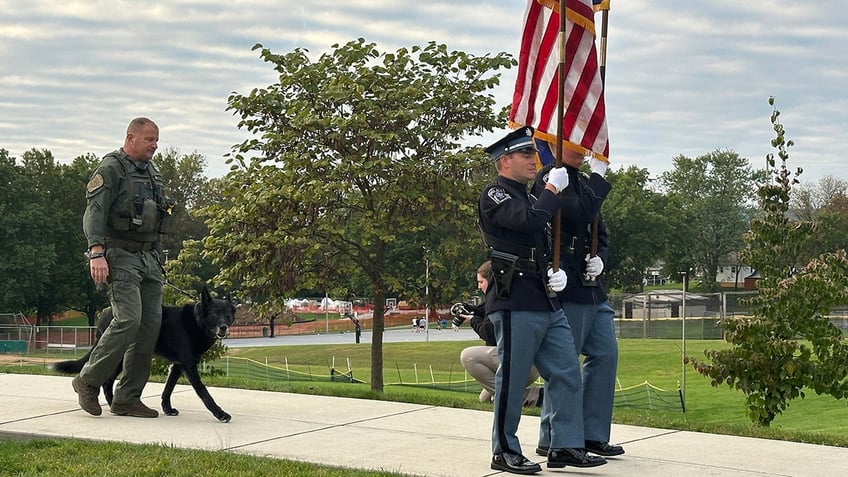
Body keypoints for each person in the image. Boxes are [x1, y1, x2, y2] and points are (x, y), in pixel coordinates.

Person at [477, 126, 605, 474]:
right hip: (515, 298)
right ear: (505, 161)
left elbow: (544, 235)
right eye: (526, 155)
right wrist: (552, 189)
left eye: (534, 154)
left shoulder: (531, 196)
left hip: (545, 296)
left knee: (565, 371)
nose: (534, 160)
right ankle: (504, 449)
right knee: (513, 379)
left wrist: (555, 268)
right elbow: (528, 222)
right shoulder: (496, 195)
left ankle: (564, 445)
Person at [73, 117, 173, 418]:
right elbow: (94, 214)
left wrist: (157, 253)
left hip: (148, 258)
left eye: (156, 140)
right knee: (128, 319)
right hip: (119, 254)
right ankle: (88, 381)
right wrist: (96, 253)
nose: (155, 145)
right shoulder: (111, 169)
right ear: (131, 138)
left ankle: (127, 397)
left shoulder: (152, 173)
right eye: (149, 139)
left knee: (148, 327)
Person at [532, 149, 624, 458]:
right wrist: (599, 179)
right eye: (575, 143)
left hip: (592, 286)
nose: (584, 151)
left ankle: (592, 434)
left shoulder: (584, 182)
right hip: (566, 282)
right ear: (557, 145)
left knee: (606, 355)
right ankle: (552, 436)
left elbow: (601, 231)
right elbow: (579, 213)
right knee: (564, 364)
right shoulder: (550, 177)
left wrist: (601, 258)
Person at [452, 261, 542, 406]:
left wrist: (473, 320)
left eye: (481, 282)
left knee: (468, 356)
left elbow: (488, 333)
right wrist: (466, 308)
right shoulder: (508, 295)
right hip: (532, 364)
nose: (478, 286)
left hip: (520, 364)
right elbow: (482, 309)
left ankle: (534, 396)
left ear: (492, 280)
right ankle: (517, 396)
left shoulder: (499, 300)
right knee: (485, 399)